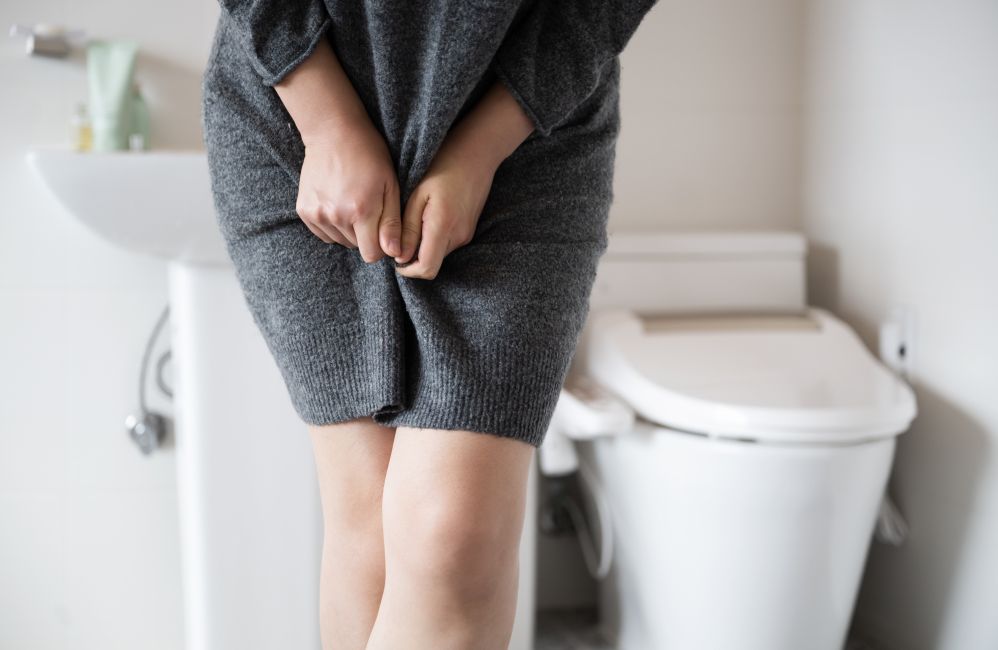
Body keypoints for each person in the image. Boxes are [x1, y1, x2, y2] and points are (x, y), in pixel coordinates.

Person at [201, 1, 656, 647]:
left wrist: (481, 150)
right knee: (367, 531)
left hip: (528, 121)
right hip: (298, 108)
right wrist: (327, 123)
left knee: (453, 535)